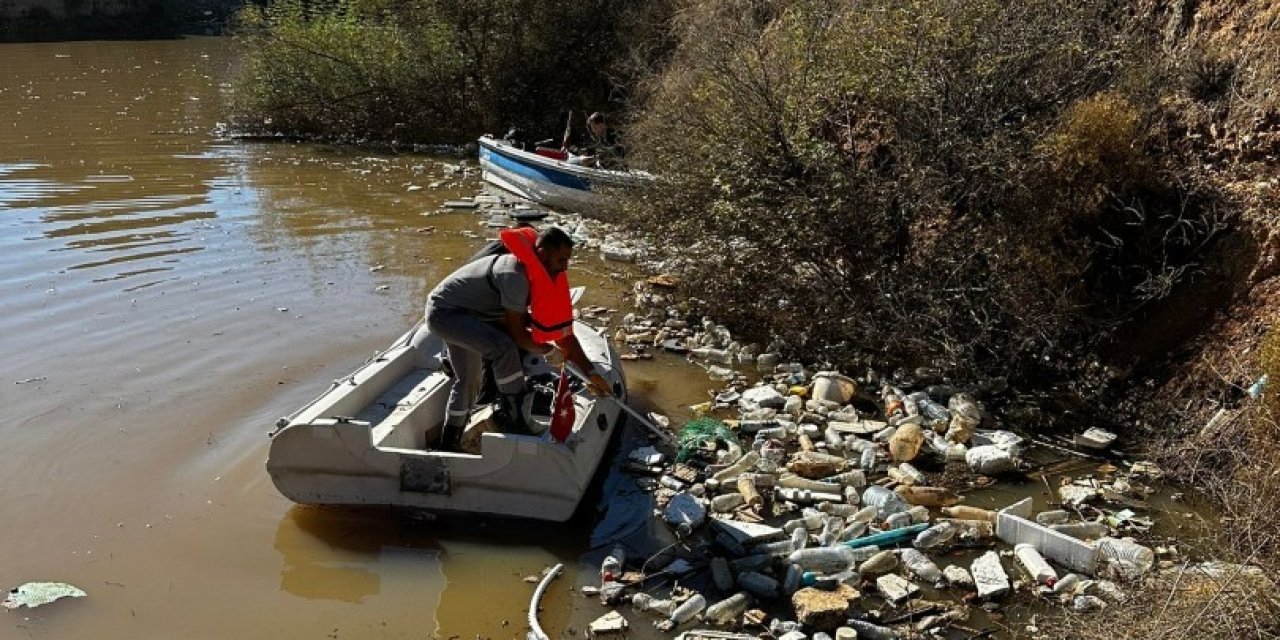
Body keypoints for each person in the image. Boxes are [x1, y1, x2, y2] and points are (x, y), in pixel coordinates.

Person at [422, 225, 612, 452]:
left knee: (470, 380)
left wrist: (590, 373)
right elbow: (518, 336)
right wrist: (548, 352)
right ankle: (513, 417)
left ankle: (448, 443)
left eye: (567, 260)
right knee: (503, 347)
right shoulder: (514, 276)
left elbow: (563, 334)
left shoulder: (540, 274)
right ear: (542, 254)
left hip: (470, 315)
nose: (565, 267)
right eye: (561, 260)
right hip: (446, 314)